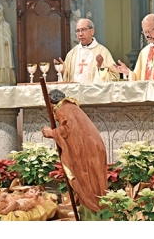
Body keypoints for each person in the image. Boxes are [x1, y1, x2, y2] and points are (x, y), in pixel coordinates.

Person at [41, 89, 108, 220]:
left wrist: (52, 133)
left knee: (88, 185)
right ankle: (93, 212)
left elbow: (68, 130)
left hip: (85, 153)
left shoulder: (63, 109)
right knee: (92, 185)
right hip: (90, 150)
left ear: (51, 104)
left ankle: (93, 215)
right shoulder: (70, 108)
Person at [54, 18, 119, 83]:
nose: (80, 34)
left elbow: (115, 76)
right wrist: (63, 70)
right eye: (77, 30)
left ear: (92, 31)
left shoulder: (102, 52)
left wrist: (100, 68)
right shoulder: (71, 53)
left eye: (83, 30)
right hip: (75, 92)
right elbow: (68, 77)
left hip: (93, 92)